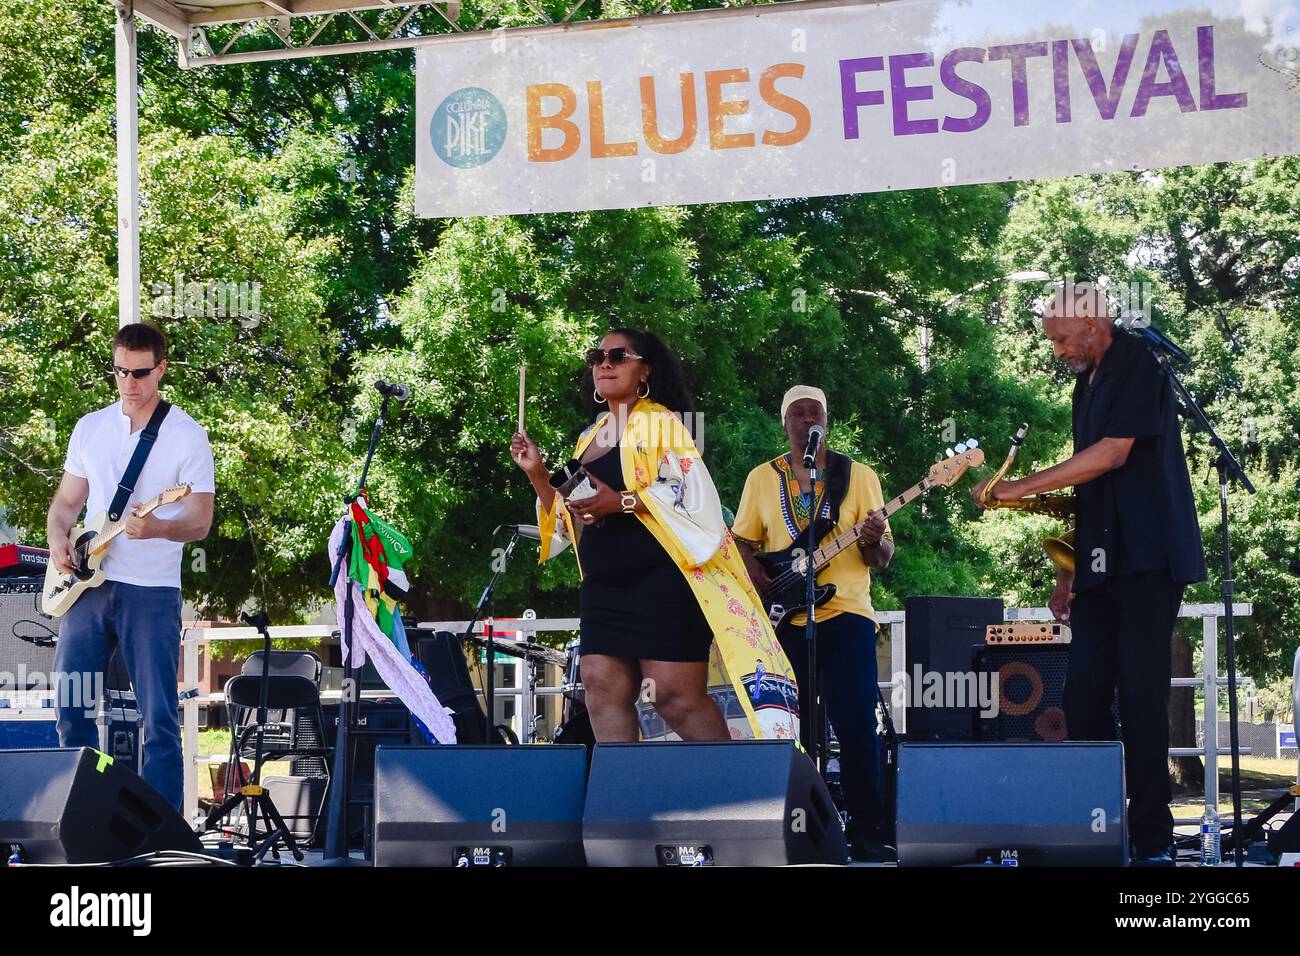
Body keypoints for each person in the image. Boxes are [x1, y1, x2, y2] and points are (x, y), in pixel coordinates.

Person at [972, 282, 1206, 866]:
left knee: (1143, 695)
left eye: (1059, 337)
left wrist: (1021, 486)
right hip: (1102, 563)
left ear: (1094, 322)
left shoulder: (1137, 364)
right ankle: (1093, 827)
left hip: (1149, 560)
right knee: (1082, 692)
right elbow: (1093, 488)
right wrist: (1069, 570)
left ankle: (1154, 840)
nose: (1054, 349)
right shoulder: (1086, 382)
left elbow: (1112, 454)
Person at [510, 329, 797, 743]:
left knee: (674, 698)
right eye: (597, 356)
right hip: (605, 587)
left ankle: (731, 793)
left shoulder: (663, 424)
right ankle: (624, 803)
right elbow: (569, 520)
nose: (604, 363)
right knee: (601, 689)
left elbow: (694, 500)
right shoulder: (590, 436)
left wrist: (621, 502)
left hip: (662, 582)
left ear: (644, 370)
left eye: (618, 356)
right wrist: (538, 475)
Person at [47, 323, 215, 808]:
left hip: (151, 590)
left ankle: (159, 833)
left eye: (140, 372)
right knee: (72, 707)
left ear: (161, 368)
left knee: (158, 718)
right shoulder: (90, 427)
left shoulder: (186, 434)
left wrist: (157, 527)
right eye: (120, 371)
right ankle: (79, 817)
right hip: (86, 587)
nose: (129, 382)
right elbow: (65, 504)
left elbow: (199, 520)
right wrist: (59, 538)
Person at [732, 386, 894, 861]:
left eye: (815, 413)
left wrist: (875, 538)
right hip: (785, 619)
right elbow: (741, 544)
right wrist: (761, 579)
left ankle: (869, 832)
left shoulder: (858, 475)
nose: (807, 420)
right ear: (784, 424)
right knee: (789, 728)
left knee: (858, 724)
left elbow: (880, 558)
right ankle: (796, 832)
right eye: (798, 414)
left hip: (847, 613)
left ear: (827, 421)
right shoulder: (762, 478)